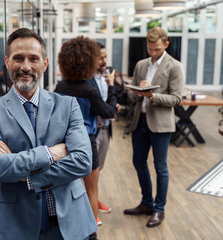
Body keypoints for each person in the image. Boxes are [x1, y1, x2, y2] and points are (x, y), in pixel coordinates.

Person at [0, 28, 97, 240]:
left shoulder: (68, 105)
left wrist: (24, 174)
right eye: (18, 58)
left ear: (45, 63)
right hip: (18, 225)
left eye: (33, 58)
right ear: (7, 62)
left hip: (70, 223)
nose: (25, 66)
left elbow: (83, 161)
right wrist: (50, 154)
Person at [55, 36, 118, 239]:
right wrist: (112, 87)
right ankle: (91, 234)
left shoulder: (60, 87)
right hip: (86, 145)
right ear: (90, 61)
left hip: (63, 145)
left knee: (68, 190)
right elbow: (108, 112)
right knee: (91, 191)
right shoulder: (89, 90)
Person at [123, 27, 184, 228]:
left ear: (166, 45)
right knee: (138, 163)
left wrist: (152, 95)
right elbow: (132, 95)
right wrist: (136, 90)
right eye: (150, 49)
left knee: (160, 167)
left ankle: (159, 209)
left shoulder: (175, 67)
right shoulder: (141, 65)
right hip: (139, 121)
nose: (153, 52)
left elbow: (176, 99)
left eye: (157, 49)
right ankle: (147, 203)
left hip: (160, 125)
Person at [87, 42, 120, 215]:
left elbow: (109, 104)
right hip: (94, 130)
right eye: (100, 57)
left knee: (98, 170)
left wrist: (115, 106)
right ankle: (90, 207)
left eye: (106, 56)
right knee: (91, 171)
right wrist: (110, 109)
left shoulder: (105, 76)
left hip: (107, 128)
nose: (104, 60)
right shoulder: (87, 80)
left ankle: (94, 200)